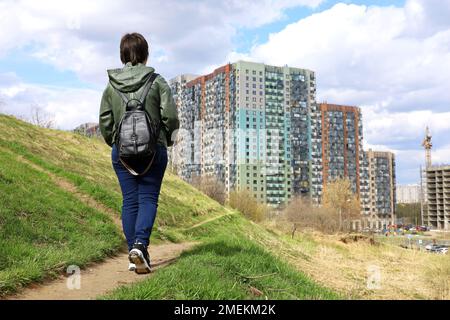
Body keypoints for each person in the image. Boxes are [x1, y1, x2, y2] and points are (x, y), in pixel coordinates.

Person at [99, 33, 179, 274]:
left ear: (123, 55)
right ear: (145, 54)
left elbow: (105, 120)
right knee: (148, 198)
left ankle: (134, 253)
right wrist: (167, 138)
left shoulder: (111, 85)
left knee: (130, 200)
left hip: (121, 153)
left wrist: (115, 142)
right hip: (153, 150)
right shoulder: (157, 81)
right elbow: (171, 117)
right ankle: (140, 246)